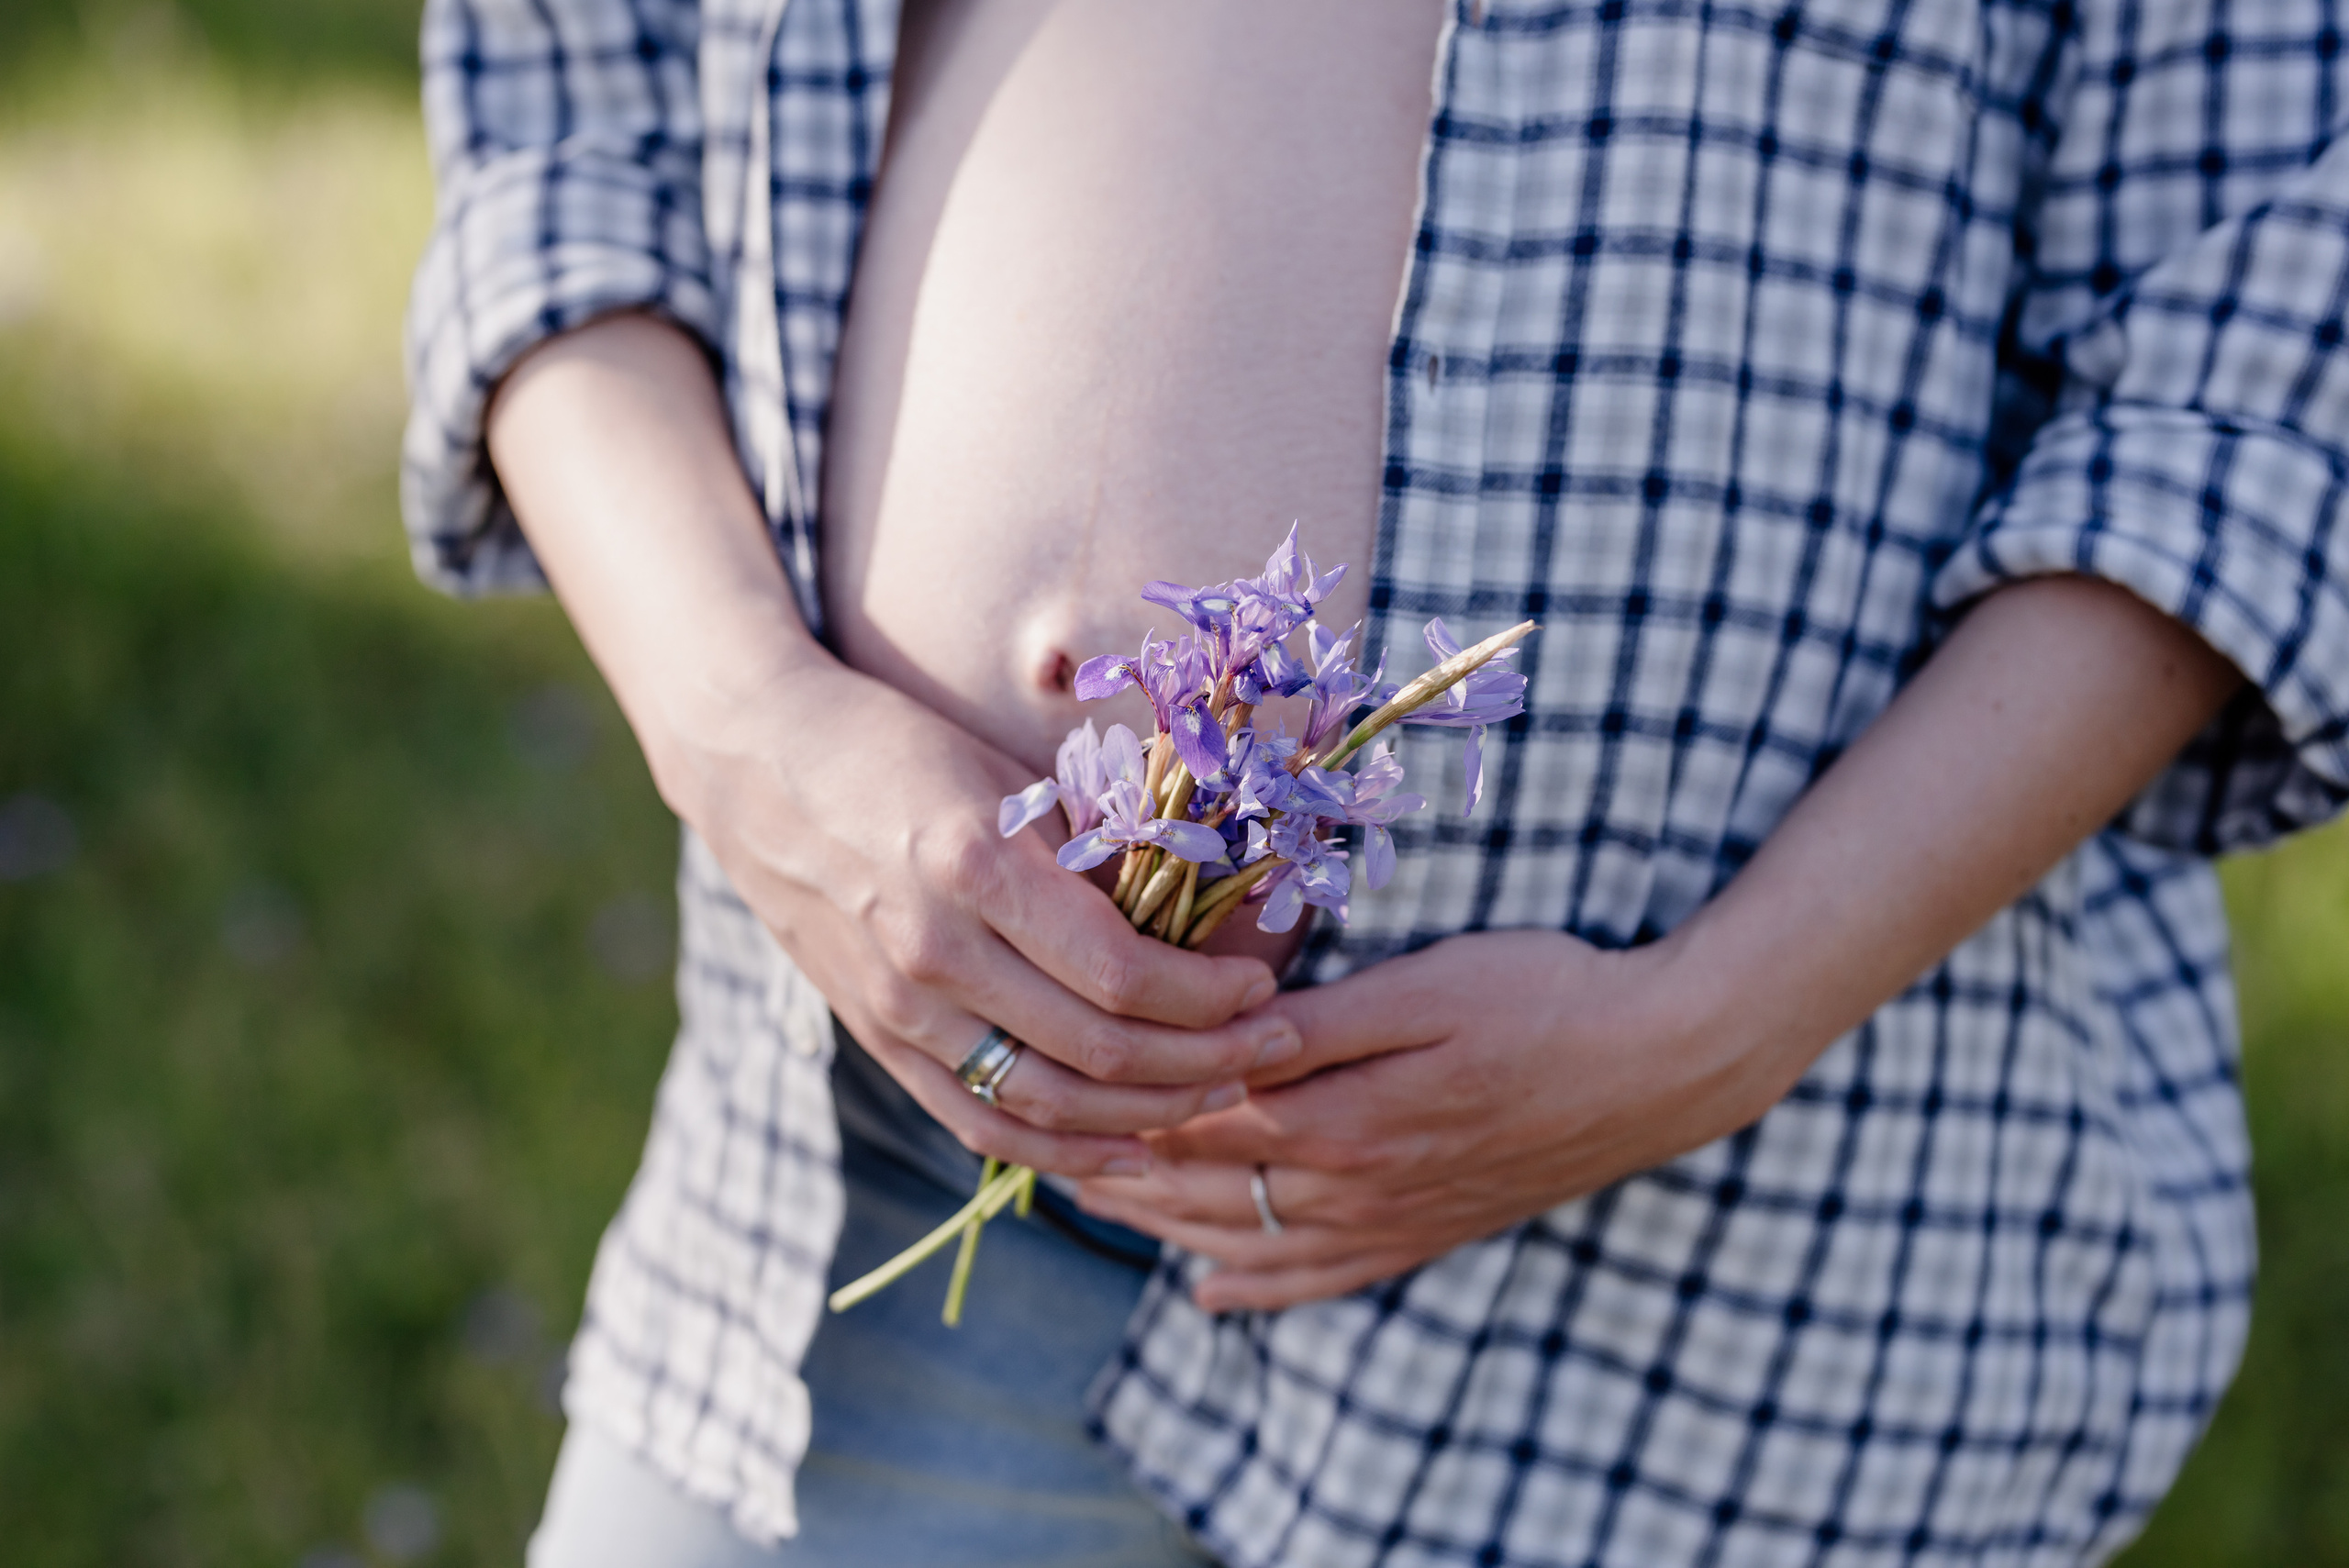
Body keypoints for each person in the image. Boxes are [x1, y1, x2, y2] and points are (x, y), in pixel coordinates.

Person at [401, 0, 2349, 1562]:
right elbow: (575, 129)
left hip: (1714, 1310)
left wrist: (1714, 1024)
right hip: (871, 1184)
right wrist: (740, 721)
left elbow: (2247, 378)